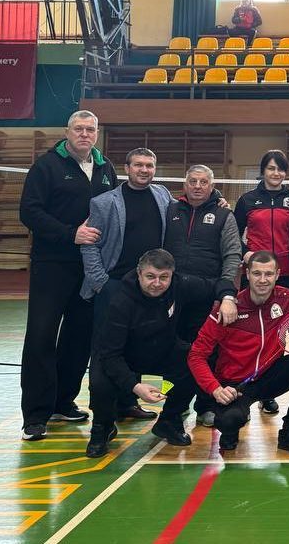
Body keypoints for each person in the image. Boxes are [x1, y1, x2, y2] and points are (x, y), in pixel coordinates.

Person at [18, 110, 118, 441]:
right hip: (52, 265)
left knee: (79, 337)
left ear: (97, 133)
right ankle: (35, 415)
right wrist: (69, 233)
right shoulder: (46, 166)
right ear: (67, 132)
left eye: (90, 129)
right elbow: (29, 212)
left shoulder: (105, 168)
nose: (84, 134)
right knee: (41, 337)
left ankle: (63, 401)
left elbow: (120, 205)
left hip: (91, 269)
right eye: (79, 129)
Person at [86, 249, 237, 457]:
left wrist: (227, 298)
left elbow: (218, 283)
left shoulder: (179, 284)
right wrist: (135, 387)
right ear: (139, 274)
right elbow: (111, 356)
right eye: (150, 276)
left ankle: (169, 421)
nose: (157, 283)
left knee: (193, 361)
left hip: (161, 350)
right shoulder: (119, 301)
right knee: (100, 383)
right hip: (120, 357)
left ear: (172, 275)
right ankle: (102, 427)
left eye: (163, 277)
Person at [188, 251, 289, 456]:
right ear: (247, 273)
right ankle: (231, 429)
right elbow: (196, 355)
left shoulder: (287, 299)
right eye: (257, 273)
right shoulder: (228, 308)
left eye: (268, 274)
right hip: (236, 385)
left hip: (270, 376)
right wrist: (216, 389)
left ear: (277, 274)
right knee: (229, 421)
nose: (263, 280)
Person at [80, 147, 173, 421]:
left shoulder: (162, 195)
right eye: (138, 165)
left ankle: (128, 403)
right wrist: (101, 282)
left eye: (149, 165)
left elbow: (187, 207)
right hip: (115, 286)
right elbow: (89, 244)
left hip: (150, 289)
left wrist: (217, 198)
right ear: (127, 168)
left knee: (140, 348)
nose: (144, 170)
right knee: (106, 350)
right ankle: (103, 411)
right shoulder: (104, 202)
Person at [164, 164, 245, 424]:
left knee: (208, 352)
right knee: (174, 350)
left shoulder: (224, 215)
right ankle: (175, 402)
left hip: (207, 294)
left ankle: (206, 405)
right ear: (185, 184)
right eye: (193, 181)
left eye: (203, 182)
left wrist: (226, 291)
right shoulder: (170, 210)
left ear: (212, 186)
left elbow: (232, 254)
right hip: (174, 294)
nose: (198, 186)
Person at [235, 150, 289, 291]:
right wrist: (245, 253)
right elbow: (233, 235)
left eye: (281, 169)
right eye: (271, 168)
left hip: (287, 272)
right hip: (256, 270)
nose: (276, 173)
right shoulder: (247, 200)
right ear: (263, 171)